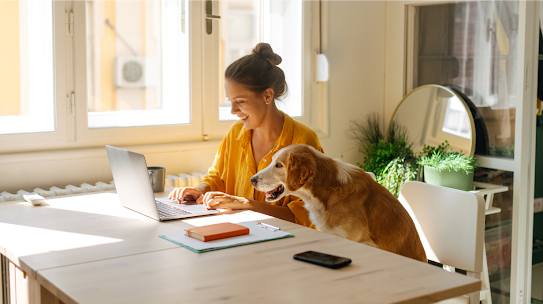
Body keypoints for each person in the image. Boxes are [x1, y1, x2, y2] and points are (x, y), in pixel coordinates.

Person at [168, 43, 323, 227]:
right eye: (230, 101)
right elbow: (218, 178)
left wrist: (248, 205)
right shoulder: (236, 133)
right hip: (238, 233)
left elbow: (306, 216)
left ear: (267, 96)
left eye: (240, 101)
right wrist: (199, 190)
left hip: (285, 242)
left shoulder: (303, 141)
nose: (233, 110)